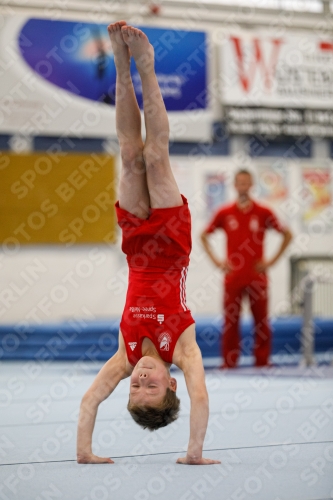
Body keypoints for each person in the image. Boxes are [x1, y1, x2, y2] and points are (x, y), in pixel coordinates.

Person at [76, 21, 220, 466]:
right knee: (156, 156)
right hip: (172, 245)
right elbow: (200, 398)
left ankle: (122, 67)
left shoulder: (125, 356)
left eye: (134, 388)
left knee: (129, 152)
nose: (138, 379)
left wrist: (85, 453)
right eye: (150, 386)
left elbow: (89, 402)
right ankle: (147, 66)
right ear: (170, 382)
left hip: (137, 247)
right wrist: (193, 453)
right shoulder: (184, 351)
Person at [201, 170, 292, 368]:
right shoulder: (225, 213)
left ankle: (262, 360)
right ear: (235, 185)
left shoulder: (263, 212)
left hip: (257, 276)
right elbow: (203, 235)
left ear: (251, 185)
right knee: (230, 321)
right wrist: (218, 262)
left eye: (246, 183)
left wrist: (271, 262)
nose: (243, 186)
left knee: (261, 322)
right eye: (239, 183)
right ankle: (229, 362)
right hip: (233, 277)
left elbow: (287, 234)